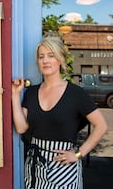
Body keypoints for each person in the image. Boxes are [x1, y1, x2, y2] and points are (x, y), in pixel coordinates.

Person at [12, 35, 107, 189]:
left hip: (64, 169)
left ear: (61, 60)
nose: (45, 61)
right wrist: (15, 95)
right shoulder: (30, 92)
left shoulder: (76, 94)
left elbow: (101, 126)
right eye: (41, 57)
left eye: (51, 55)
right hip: (36, 167)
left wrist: (78, 154)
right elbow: (22, 127)